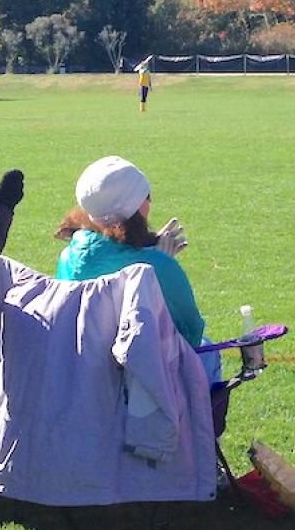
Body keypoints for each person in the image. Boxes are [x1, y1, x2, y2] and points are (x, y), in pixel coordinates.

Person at [53, 155, 218, 382]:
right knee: (208, 352)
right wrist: (159, 265)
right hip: (142, 388)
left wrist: (149, 252)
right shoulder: (157, 268)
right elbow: (190, 334)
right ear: (139, 206)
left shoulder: (68, 257)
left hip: (87, 381)